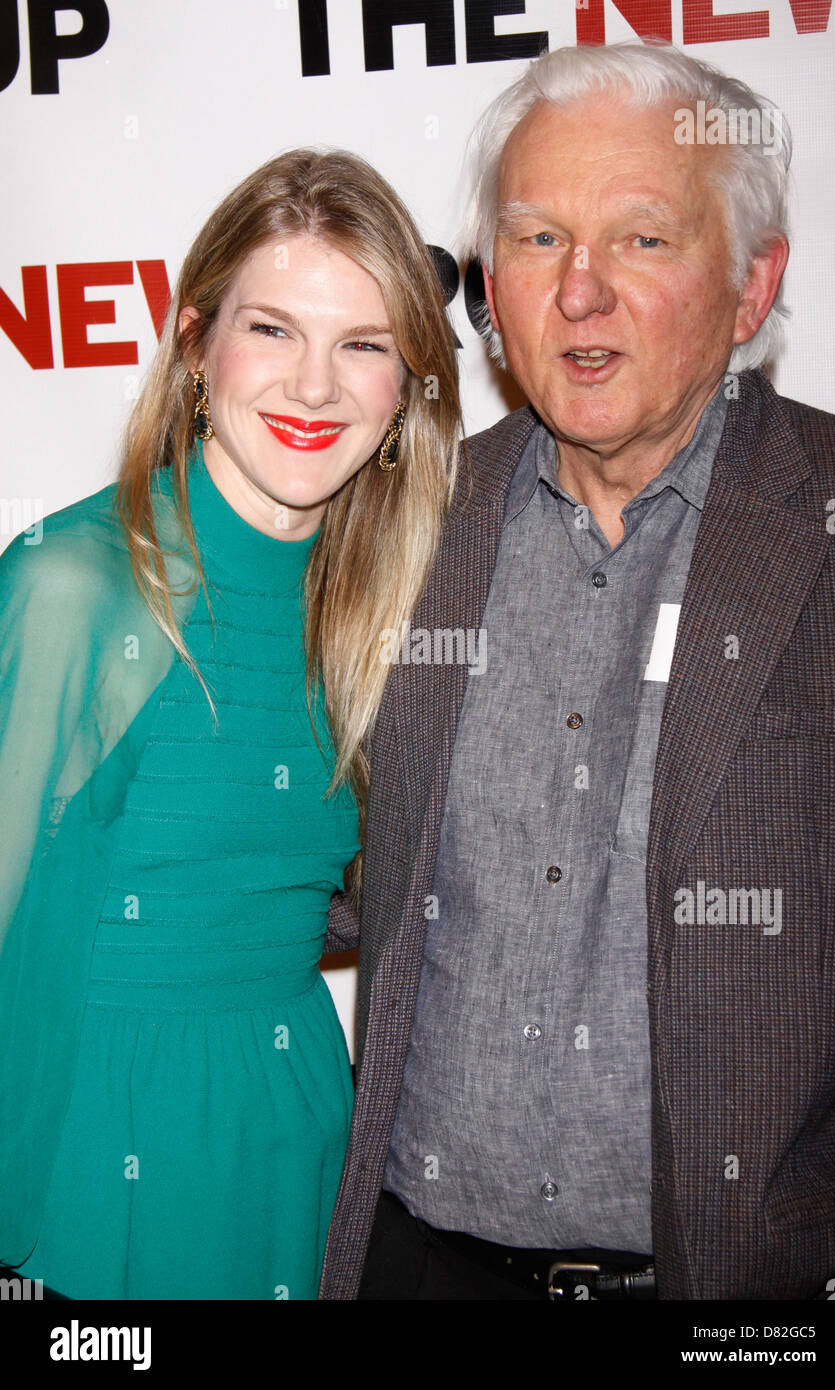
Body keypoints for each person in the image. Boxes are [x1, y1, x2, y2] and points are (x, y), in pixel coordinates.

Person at [319, 43, 835, 1300]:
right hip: (418, 1263)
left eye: (641, 242)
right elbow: (317, 864)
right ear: (486, 285)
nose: (578, 294)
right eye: (537, 239)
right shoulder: (397, 526)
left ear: (749, 283)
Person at [0, 148, 460, 1299]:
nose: (314, 387)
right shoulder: (76, 584)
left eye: (362, 344)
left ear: (406, 385)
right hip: (99, 1169)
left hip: (300, 1140)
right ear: (197, 346)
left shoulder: (380, 610)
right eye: (272, 330)